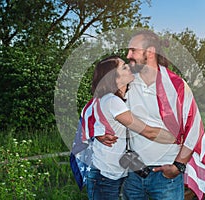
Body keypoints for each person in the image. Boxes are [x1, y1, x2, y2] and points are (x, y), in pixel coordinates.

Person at [98, 30, 205, 200]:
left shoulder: (177, 86)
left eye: (133, 50)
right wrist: (98, 132)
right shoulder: (126, 81)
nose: (128, 55)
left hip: (165, 175)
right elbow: (100, 105)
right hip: (133, 172)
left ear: (150, 52)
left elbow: (194, 127)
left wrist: (178, 167)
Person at [71, 55, 177, 200]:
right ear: (114, 77)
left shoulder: (107, 98)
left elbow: (88, 114)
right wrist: (178, 138)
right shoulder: (113, 101)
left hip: (110, 173)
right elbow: (148, 132)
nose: (129, 67)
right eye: (124, 67)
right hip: (105, 177)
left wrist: (98, 132)